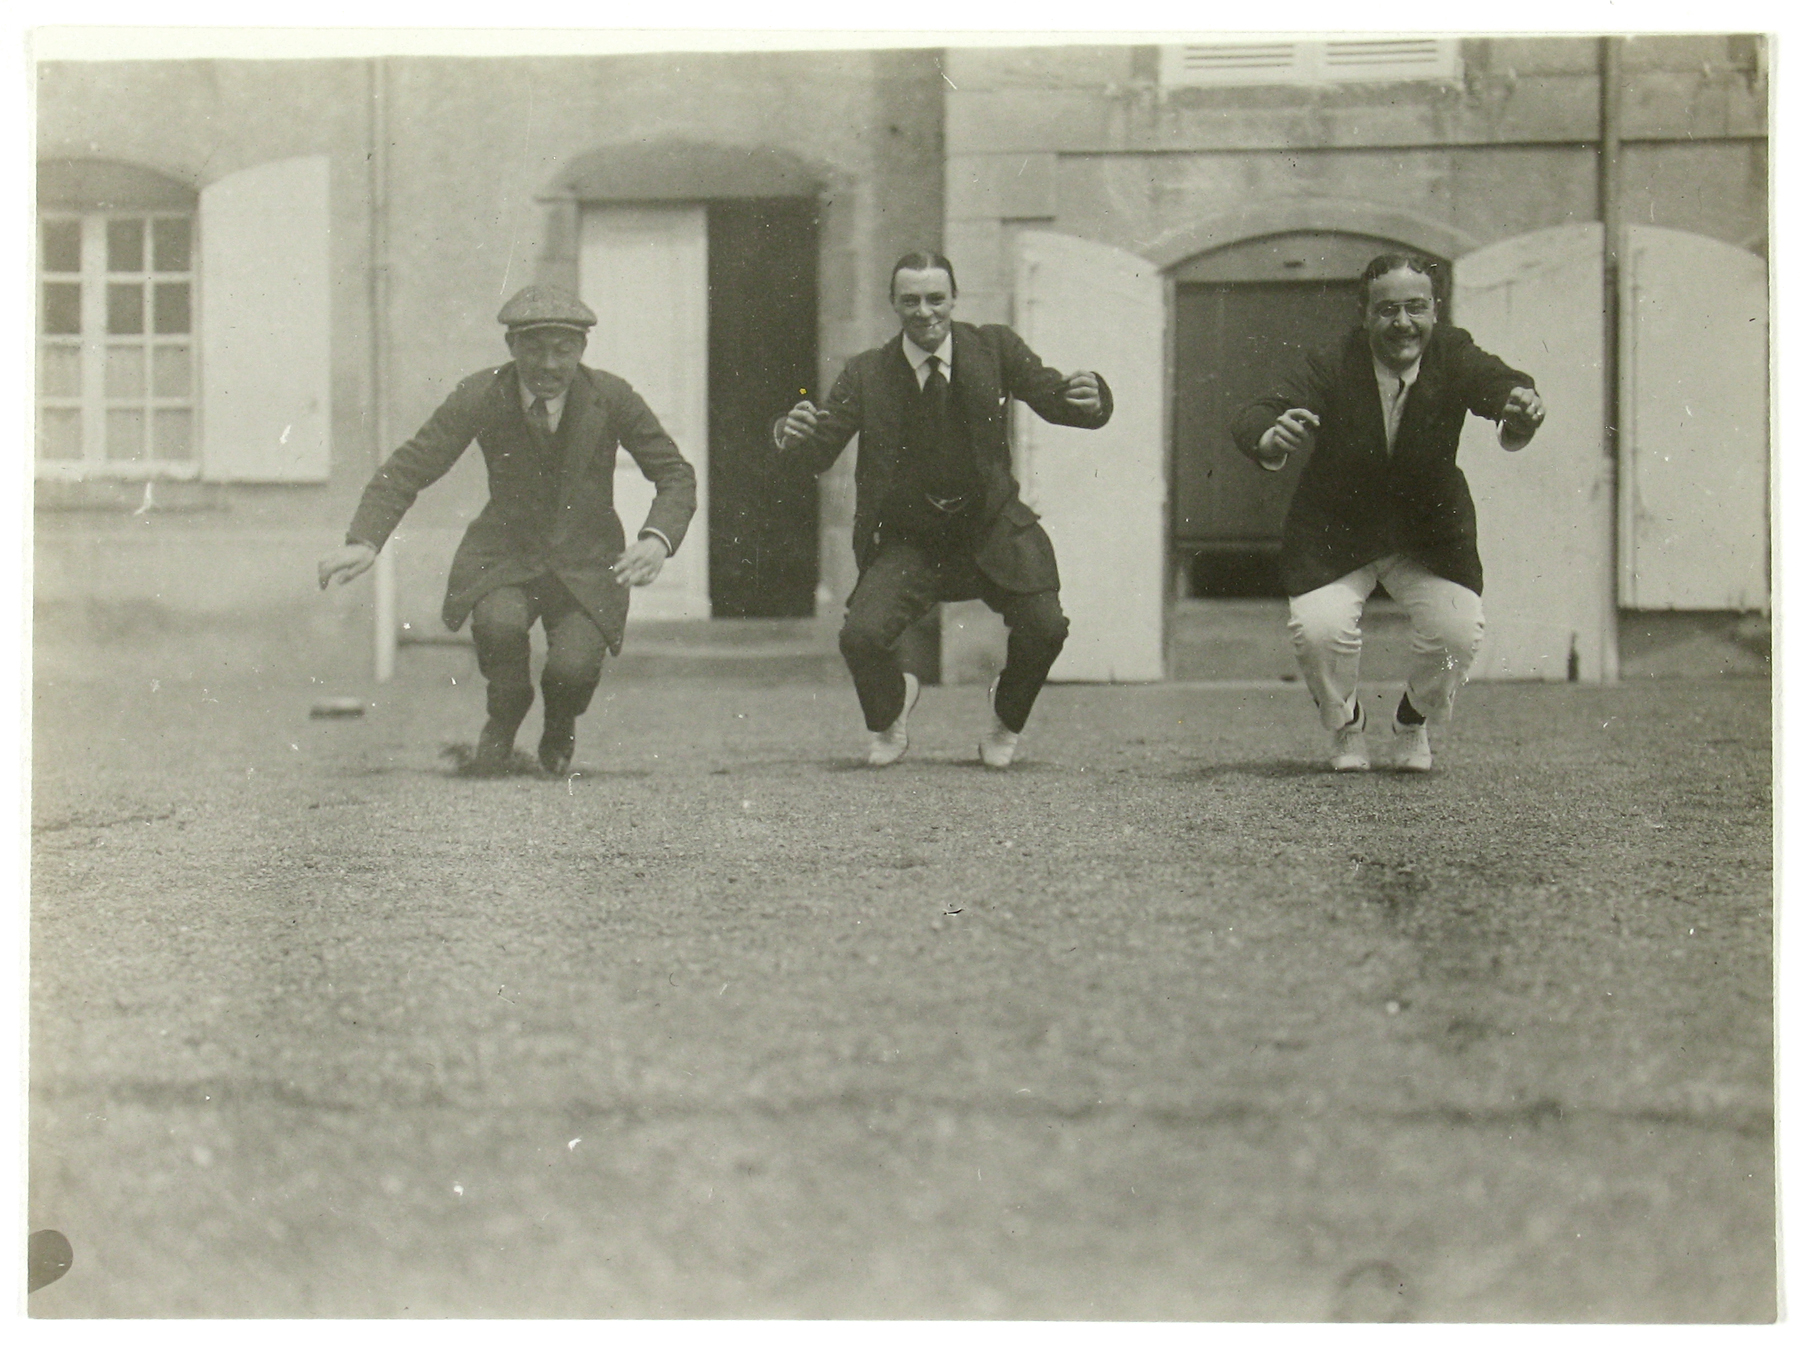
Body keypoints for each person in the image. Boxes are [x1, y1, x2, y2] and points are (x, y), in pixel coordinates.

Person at [317, 284, 697, 776]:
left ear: (582, 349)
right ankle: (502, 719)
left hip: (587, 561)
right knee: (498, 628)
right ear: (512, 347)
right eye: (534, 349)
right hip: (505, 558)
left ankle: (560, 722)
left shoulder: (612, 397)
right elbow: (412, 465)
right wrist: (364, 540)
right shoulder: (481, 394)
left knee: (572, 672)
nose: (549, 365)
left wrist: (656, 539)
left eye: (563, 350)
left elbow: (675, 474)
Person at [774, 251, 1114, 768]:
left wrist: (1092, 399)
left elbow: (1057, 399)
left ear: (954, 299)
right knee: (860, 637)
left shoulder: (995, 348)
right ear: (893, 304)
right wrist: (791, 434)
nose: (924, 311)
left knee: (1046, 626)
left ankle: (1006, 714)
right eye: (910, 300)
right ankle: (891, 711)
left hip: (992, 529)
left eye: (936, 298)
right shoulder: (865, 373)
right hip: (910, 540)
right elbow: (819, 450)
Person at [1231, 252, 1546, 773]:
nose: (1403, 323)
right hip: (1337, 530)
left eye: (1416, 308)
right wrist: (1270, 436)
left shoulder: (1453, 351)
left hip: (1427, 532)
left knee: (1458, 631)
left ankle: (1412, 722)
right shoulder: (1333, 359)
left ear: (1435, 311)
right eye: (1387, 310)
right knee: (1319, 630)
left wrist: (1520, 407)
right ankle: (1346, 727)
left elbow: (1500, 383)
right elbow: (1260, 410)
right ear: (1365, 315)